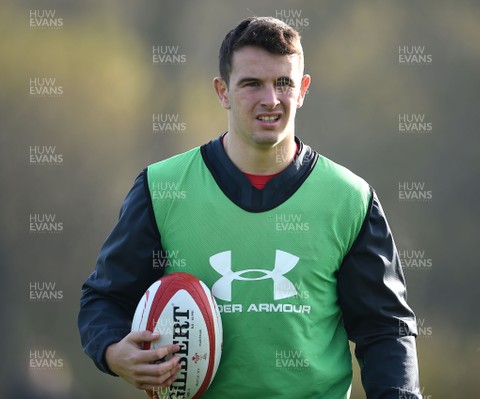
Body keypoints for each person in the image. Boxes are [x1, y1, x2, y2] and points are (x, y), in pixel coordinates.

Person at [78, 16, 422, 399]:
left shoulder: (349, 198)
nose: (270, 100)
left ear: (303, 89)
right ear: (222, 91)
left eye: (283, 83)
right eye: (251, 84)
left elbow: (385, 329)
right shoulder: (162, 188)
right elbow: (105, 298)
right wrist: (112, 351)